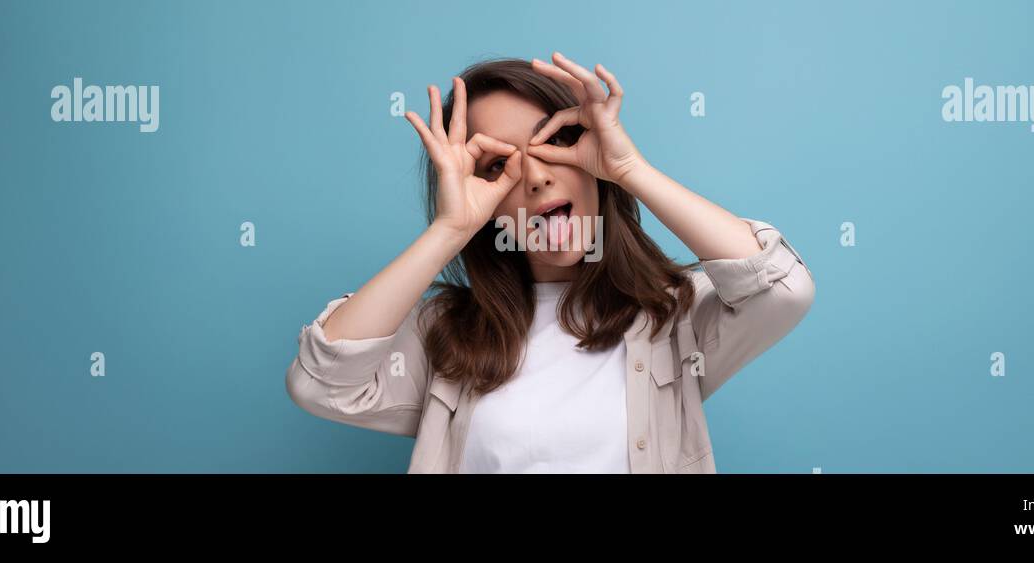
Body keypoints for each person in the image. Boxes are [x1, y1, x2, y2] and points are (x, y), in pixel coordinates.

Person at [285, 52, 815, 473]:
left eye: (557, 141)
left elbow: (783, 289)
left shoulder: (674, 317)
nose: (536, 176)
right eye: (498, 164)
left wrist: (629, 168)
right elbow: (320, 383)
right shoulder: (447, 336)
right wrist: (449, 230)